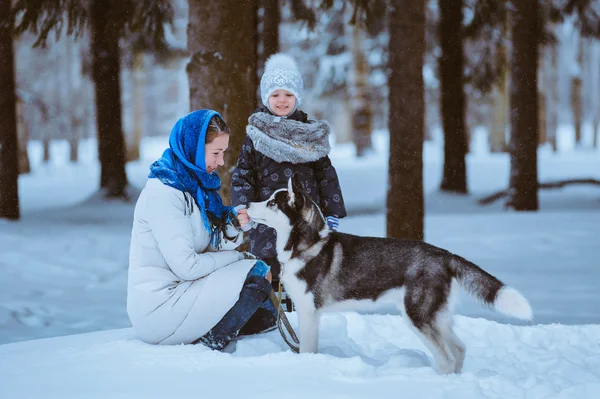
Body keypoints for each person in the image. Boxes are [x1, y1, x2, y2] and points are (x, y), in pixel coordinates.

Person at [127, 109, 277, 351]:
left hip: (182, 293)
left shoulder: (194, 188)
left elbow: (207, 243)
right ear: (194, 148)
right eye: (215, 153)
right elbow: (187, 266)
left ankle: (225, 330)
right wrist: (237, 258)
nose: (220, 162)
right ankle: (209, 345)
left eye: (223, 153)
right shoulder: (164, 193)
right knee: (256, 274)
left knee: (266, 308)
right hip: (159, 308)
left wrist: (232, 225)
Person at [231, 53, 347, 290]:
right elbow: (243, 174)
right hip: (268, 216)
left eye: (288, 94)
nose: (281, 100)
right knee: (269, 266)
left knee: (306, 267)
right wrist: (242, 206)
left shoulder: (309, 134)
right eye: (275, 95)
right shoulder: (256, 134)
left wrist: (332, 210)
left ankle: (302, 310)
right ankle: (271, 311)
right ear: (266, 97)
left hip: (305, 215)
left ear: (298, 97)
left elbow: (325, 174)